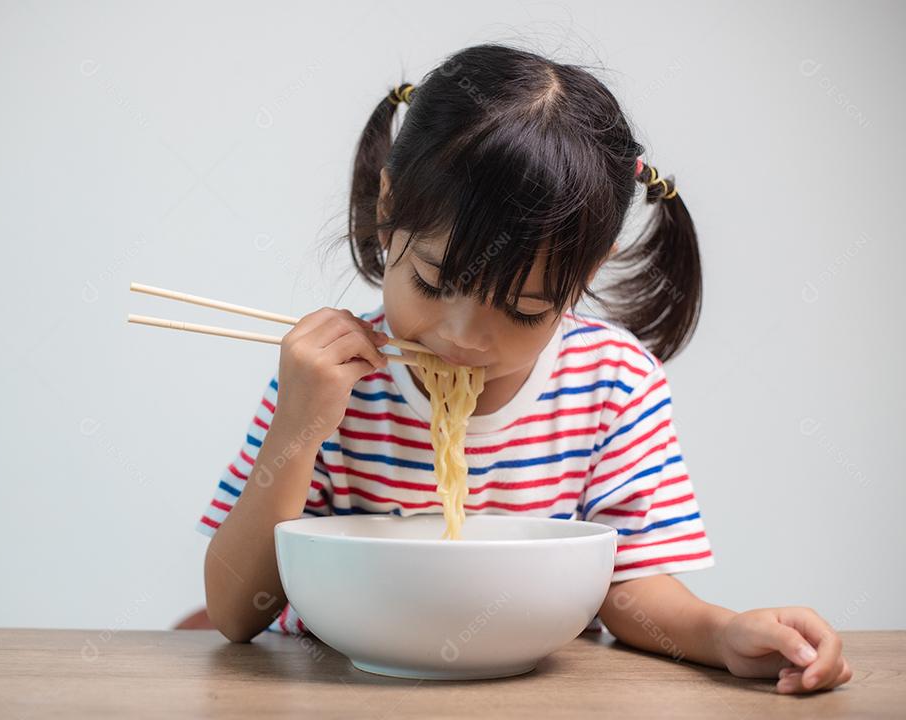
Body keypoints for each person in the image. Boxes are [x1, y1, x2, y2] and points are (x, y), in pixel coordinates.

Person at [197, 43, 850, 694]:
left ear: (586, 275)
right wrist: (299, 428)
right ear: (389, 203)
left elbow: (628, 584)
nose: (464, 338)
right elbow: (232, 614)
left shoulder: (613, 382)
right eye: (432, 280)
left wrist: (720, 635)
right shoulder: (327, 372)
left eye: (524, 309)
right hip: (335, 690)